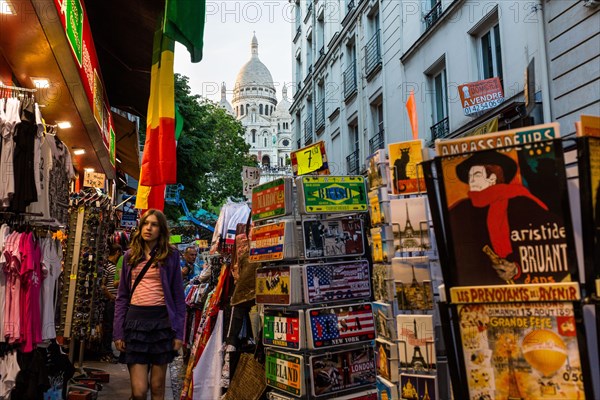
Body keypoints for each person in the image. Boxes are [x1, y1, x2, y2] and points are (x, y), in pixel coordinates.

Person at [448, 150, 568, 286]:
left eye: (476, 175)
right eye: (470, 176)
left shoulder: (522, 204)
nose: (471, 181)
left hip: (519, 292)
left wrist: (517, 269)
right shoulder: (460, 209)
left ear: (492, 178)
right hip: (477, 292)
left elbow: (555, 246)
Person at [113, 209, 186, 400]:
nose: (149, 228)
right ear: (140, 227)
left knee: (157, 387)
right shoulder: (130, 256)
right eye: (146, 223)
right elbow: (121, 297)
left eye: (154, 224)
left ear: (160, 230)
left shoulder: (170, 256)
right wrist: (118, 332)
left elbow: (179, 297)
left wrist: (179, 333)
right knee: (139, 391)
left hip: (161, 324)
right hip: (135, 324)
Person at [100, 244, 122, 362]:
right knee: (108, 327)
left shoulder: (114, 266)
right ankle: (106, 353)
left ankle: (108, 352)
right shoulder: (107, 266)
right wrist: (111, 296)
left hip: (114, 301)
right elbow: (102, 285)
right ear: (117, 252)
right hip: (110, 301)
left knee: (110, 327)